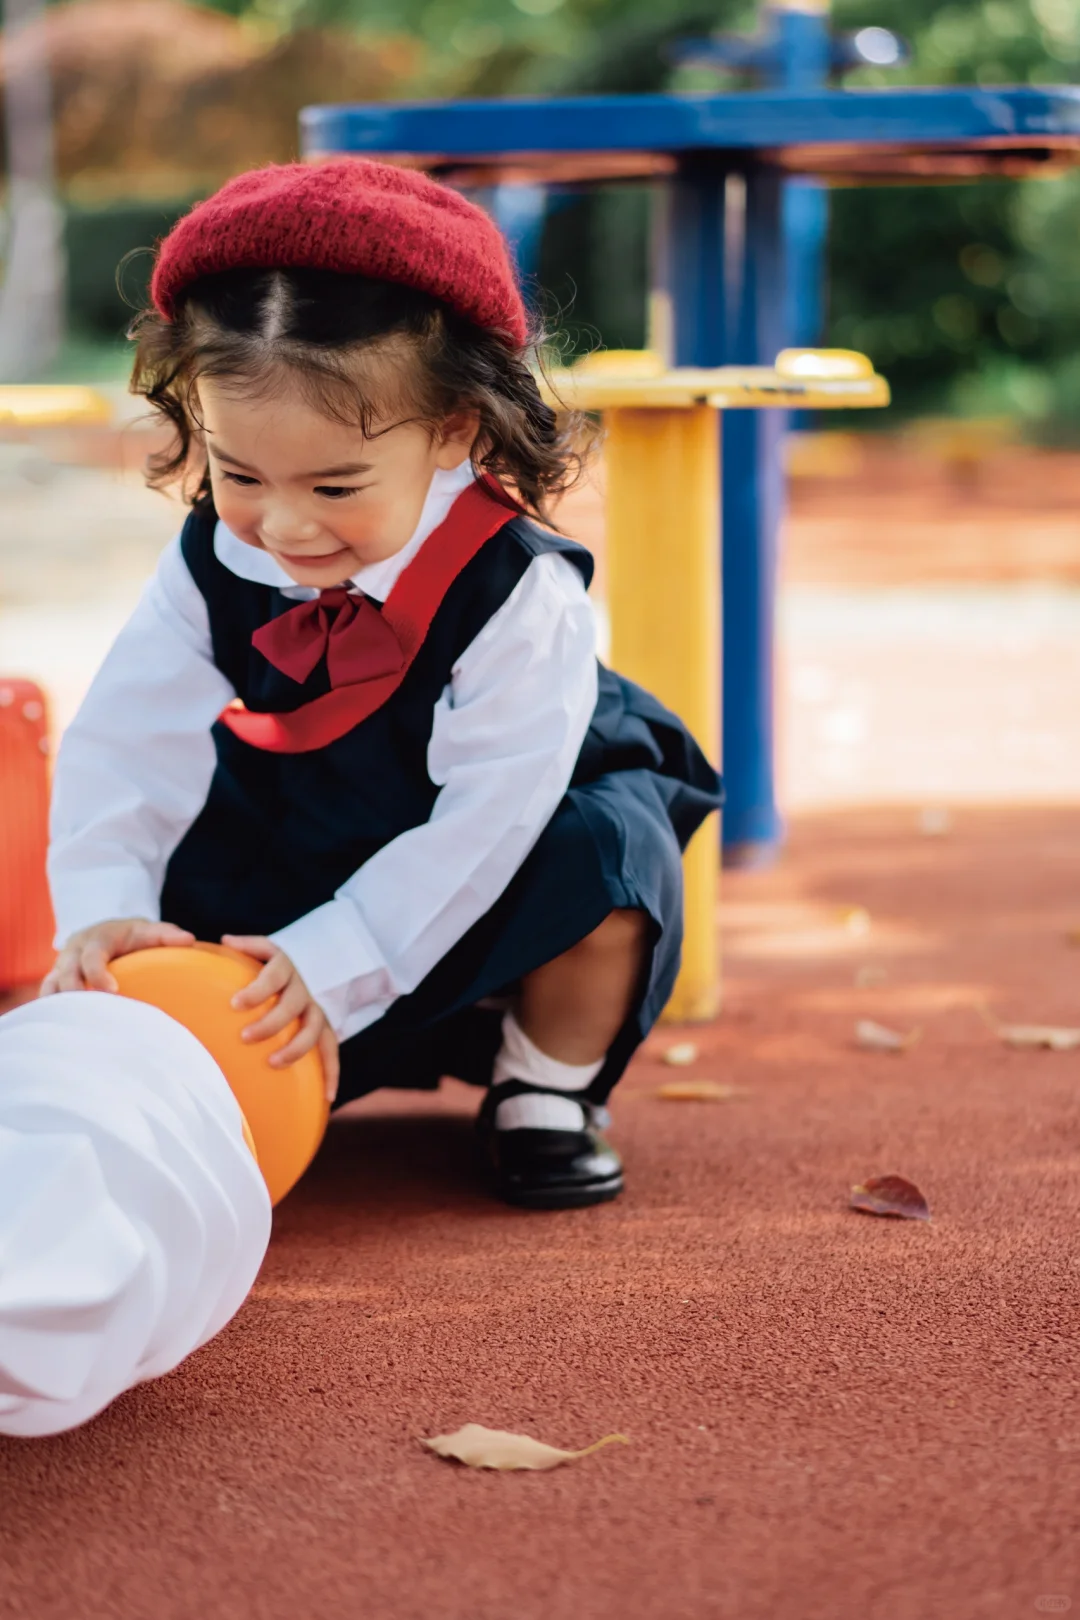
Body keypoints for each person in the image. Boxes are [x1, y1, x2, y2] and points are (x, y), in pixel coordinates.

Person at [43, 159, 722, 1210]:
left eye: (335, 485)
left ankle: (547, 1083)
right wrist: (107, 912)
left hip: (489, 865)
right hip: (304, 834)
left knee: (608, 855)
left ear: (455, 428)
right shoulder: (214, 560)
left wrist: (337, 959)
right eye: (241, 474)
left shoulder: (518, 592)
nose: (286, 525)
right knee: (166, 875)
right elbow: (125, 744)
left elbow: (487, 821)